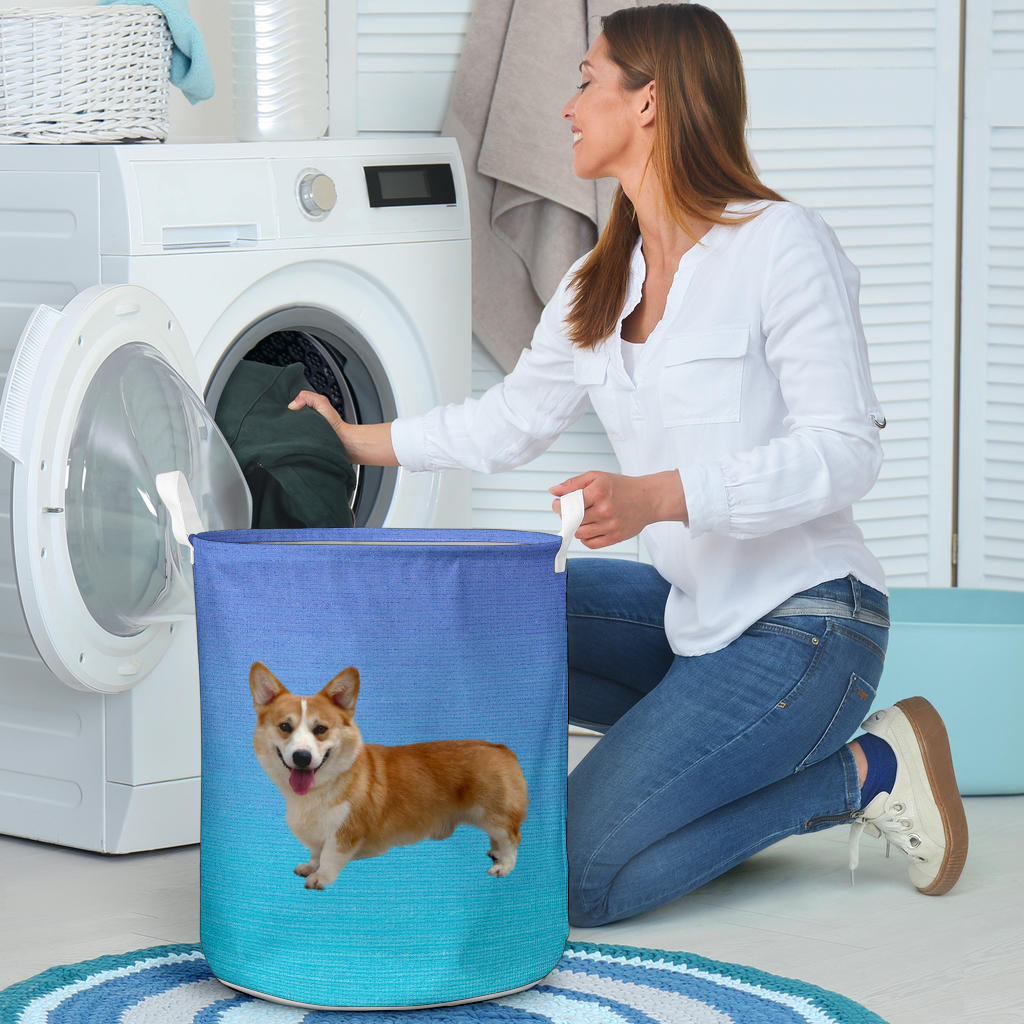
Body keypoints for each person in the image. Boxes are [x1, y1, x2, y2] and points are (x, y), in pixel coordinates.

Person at [289, 2, 968, 927]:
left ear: (649, 103)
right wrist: (362, 437)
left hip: (810, 627)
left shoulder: (779, 244)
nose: (566, 107)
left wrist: (661, 497)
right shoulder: (597, 280)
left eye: (585, 81)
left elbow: (846, 453)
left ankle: (865, 773)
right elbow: (510, 421)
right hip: (696, 621)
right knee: (485, 605)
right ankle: (653, 763)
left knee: (577, 878)